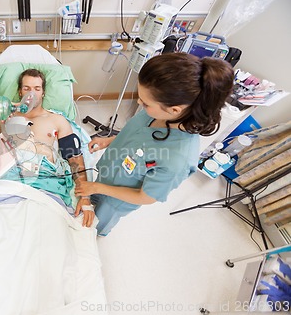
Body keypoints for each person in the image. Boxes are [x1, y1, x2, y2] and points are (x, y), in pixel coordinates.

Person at [75, 53, 234, 236]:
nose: (139, 103)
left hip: (115, 202)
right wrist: (109, 141)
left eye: (145, 103)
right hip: (107, 174)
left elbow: (145, 197)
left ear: (175, 110)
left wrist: (97, 188)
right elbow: (136, 137)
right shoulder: (153, 113)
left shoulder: (177, 159)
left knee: (94, 226)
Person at [2, 69, 95, 227]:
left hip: (44, 178)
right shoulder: (6, 118)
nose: (32, 93)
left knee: (44, 225)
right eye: (27, 88)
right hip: (12, 176)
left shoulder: (56, 120)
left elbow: (74, 157)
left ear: (43, 92)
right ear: (19, 91)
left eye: (37, 89)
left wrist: (85, 198)